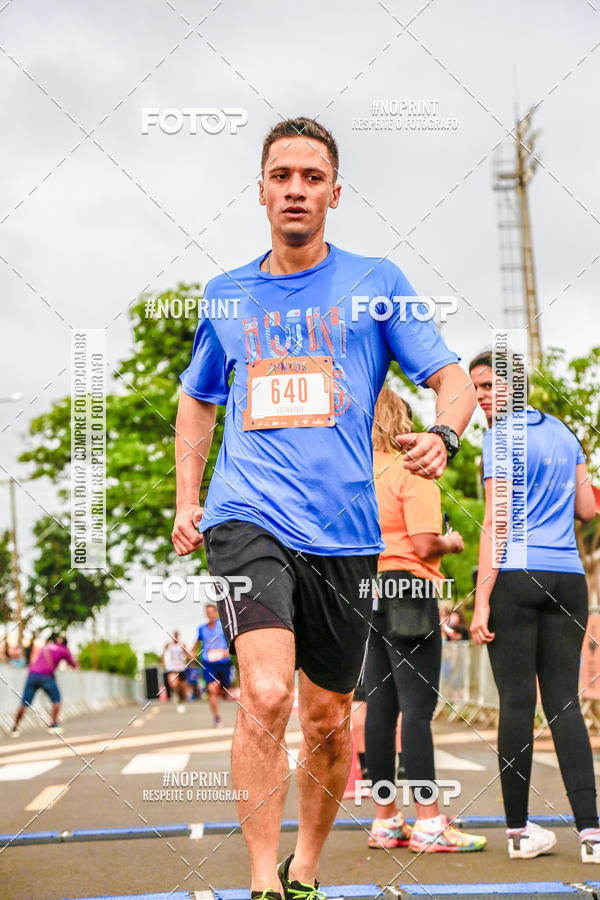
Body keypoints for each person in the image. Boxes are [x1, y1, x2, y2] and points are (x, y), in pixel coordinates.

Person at [172, 116, 476, 900]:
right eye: (283, 175)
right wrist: (188, 499)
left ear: (334, 193)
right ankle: (259, 883)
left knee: (331, 719)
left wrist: (443, 433)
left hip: (343, 534)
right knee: (267, 693)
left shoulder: (376, 284)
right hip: (247, 516)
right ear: (262, 191)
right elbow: (198, 401)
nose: (297, 189)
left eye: (312, 177)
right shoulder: (226, 295)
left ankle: (304, 867)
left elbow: (450, 376)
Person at [469, 349, 600, 862]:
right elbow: (587, 508)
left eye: (488, 387)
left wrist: (481, 602)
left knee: (518, 705)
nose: (480, 397)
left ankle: (521, 835)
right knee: (565, 702)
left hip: (517, 577)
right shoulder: (566, 434)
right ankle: (591, 837)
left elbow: (495, 524)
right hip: (568, 577)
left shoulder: (497, 439)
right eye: (475, 389)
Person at [364, 387, 486, 853]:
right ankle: (430, 822)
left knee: (380, 710)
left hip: (366, 589)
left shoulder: (355, 472)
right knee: (417, 712)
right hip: (409, 589)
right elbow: (421, 544)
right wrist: (452, 544)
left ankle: (385, 821)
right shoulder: (412, 467)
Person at [11, 633, 77, 735]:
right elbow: (73, 664)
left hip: (32, 675)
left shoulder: (45, 647)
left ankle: (14, 728)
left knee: (24, 703)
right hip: (46, 676)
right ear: (66, 643)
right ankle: (54, 724)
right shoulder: (64, 650)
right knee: (56, 700)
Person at [194, 602, 231, 727]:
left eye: (212, 612)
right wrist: (192, 652)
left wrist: (228, 651)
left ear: (216, 613)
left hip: (223, 662)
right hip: (208, 662)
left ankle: (224, 691)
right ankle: (217, 717)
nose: (210, 615)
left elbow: (232, 639)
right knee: (212, 689)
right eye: (207, 613)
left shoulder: (223, 626)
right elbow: (197, 643)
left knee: (225, 690)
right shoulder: (202, 629)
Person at [161, 630, 190, 712]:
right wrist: (163, 662)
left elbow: (187, 654)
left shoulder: (182, 644)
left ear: (178, 636)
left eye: (176, 635)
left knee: (182, 687)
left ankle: (181, 700)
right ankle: (175, 694)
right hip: (172, 668)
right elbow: (163, 653)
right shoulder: (168, 645)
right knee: (173, 683)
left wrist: (189, 658)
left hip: (181, 668)